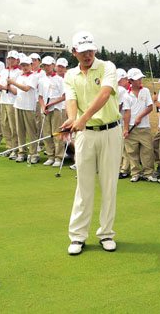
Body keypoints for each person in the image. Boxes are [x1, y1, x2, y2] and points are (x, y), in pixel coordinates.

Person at [60, 31, 122, 256]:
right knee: (83, 186)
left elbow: (105, 94)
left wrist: (81, 119)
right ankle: (77, 237)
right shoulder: (70, 74)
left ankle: (106, 233)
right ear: (74, 52)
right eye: (82, 50)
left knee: (108, 185)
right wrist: (71, 118)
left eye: (91, 49)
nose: (88, 54)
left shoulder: (107, 67)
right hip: (85, 134)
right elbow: (71, 99)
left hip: (110, 131)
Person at [122, 68, 156, 182]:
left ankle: (148, 173)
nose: (140, 80)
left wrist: (140, 117)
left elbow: (150, 107)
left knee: (147, 151)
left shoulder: (145, 91)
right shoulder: (127, 95)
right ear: (130, 80)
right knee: (132, 152)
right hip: (132, 128)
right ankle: (135, 173)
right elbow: (127, 113)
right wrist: (126, 129)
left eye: (140, 78)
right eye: (137, 79)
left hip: (144, 127)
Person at [9, 56, 39, 163]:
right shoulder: (20, 77)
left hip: (29, 106)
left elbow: (26, 89)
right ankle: (22, 153)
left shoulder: (34, 76)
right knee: (20, 131)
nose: (25, 67)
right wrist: (7, 86)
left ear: (31, 65)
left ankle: (34, 153)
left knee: (31, 131)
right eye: (23, 65)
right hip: (18, 105)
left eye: (27, 65)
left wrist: (13, 82)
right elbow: (16, 92)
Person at [0, 50, 22, 159]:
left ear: (17, 60)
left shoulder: (19, 72)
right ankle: (9, 147)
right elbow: (1, 86)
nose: (11, 61)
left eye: (13, 59)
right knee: (4, 125)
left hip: (13, 102)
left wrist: (4, 86)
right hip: (3, 100)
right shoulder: (4, 71)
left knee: (13, 126)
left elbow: (15, 90)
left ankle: (16, 149)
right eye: (9, 58)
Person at [39, 56, 66, 167]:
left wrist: (52, 104)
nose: (46, 67)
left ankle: (58, 157)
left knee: (56, 133)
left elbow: (64, 96)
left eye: (48, 65)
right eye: (44, 65)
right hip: (45, 110)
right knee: (46, 133)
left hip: (56, 109)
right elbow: (40, 96)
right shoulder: (42, 80)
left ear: (53, 65)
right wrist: (43, 107)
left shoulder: (59, 80)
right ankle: (50, 155)